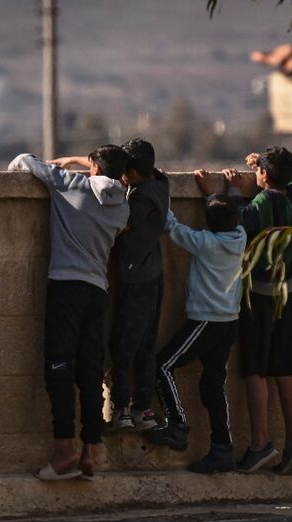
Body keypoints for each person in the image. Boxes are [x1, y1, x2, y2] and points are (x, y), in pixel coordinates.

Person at [194, 146, 292, 475]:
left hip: (258, 296)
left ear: (263, 175)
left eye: (260, 170)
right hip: (286, 293)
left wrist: (218, 193)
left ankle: (260, 443)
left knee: (256, 369)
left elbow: (230, 222)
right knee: (286, 368)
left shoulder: (262, 204)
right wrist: (270, 167)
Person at [8, 146, 130, 481]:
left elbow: (22, 161)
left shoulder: (69, 184)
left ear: (92, 168)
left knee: (58, 370)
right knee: (90, 375)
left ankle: (64, 452)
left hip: (65, 288)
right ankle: (90, 451)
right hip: (97, 291)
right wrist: (83, 165)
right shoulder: (123, 207)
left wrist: (65, 166)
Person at [143, 194, 247, 474]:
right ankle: (223, 449)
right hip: (228, 320)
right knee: (213, 385)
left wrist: (159, 192)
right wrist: (215, 195)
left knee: (161, 365)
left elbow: (174, 228)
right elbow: (233, 212)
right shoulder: (241, 236)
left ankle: (177, 424)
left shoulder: (207, 244)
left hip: (206, 321)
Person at [107, 138, 170, 432]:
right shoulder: (160, 183)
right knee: (145, 346)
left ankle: (122, 409)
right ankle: (142, 410)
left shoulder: (140, 199)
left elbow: (121, 223)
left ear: (130, 173)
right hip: (152, 276)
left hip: (136, 280)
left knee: (125, 346)